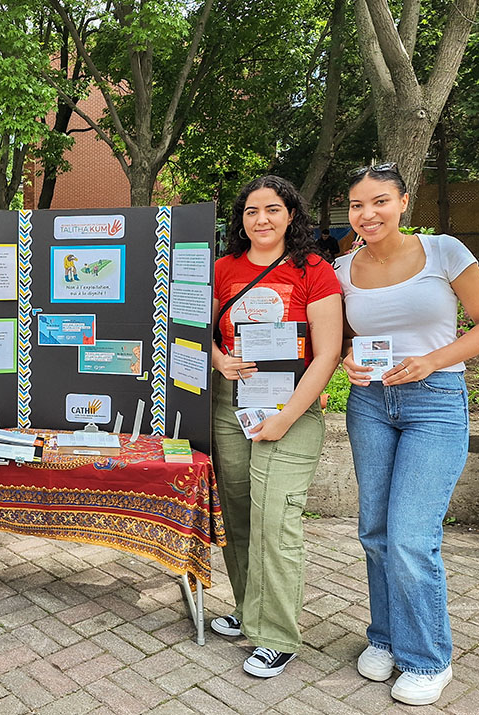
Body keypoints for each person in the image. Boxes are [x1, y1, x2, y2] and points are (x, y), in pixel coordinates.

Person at [336, 163, 479, 706]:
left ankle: (429, 657)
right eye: (358, 205)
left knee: (411, 536)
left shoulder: (445, 252)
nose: (368, 214)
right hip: (370, 402)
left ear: (403, 201)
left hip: (434, 403)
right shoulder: (342, 267)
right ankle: (384, 637)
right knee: (376, 532)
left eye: (380, 201)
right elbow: (340, 339)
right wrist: (346, 362)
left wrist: (431, 360)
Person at [208, 175, 342, 678]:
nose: (261, 219)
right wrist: (220, 362)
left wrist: (286, 418)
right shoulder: (222, 269)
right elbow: (197, 331)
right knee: (239, 517)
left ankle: (278, 635)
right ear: (240, 220)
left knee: (277, 522)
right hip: (230, 406)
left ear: (291, 215)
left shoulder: (314, 271)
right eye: (250, 211)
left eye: (272, 210)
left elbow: (327, 353)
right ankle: (248, 614)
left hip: (292, 408)